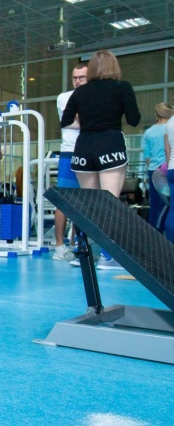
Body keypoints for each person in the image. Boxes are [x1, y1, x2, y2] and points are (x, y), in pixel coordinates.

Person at [62, 49, 141, 269]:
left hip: (84, 146)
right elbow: (134, 120)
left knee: (87, 204)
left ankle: (82, 253)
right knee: (110, 203)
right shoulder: (122, 87)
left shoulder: (80, 92)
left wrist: (87, 121)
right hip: (110, 144)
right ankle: (107, 256)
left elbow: (65, 120)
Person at [52, 62, 88, 261]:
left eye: (82, 77)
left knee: (84, 203)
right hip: (69, 153)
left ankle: (80, 245)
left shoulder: (94, 96)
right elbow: (73, 121)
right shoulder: (64, 97)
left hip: (89, 152)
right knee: (64, 201)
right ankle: (59, 246)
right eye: (75, 78)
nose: (77, 81)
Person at [142, 102, 172, 232]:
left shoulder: (148, 132)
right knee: (167, 205)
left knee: (154, 205)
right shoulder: (170, 127)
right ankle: (160, 234)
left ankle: (152, 234)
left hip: (153, 171)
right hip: (166, 169)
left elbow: (147, 156)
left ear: (156, 114)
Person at [165, 108, 174, 243]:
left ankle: (170, 246)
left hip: (172, 168)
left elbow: (167, 149)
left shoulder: (170, 122)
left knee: (172, 210)